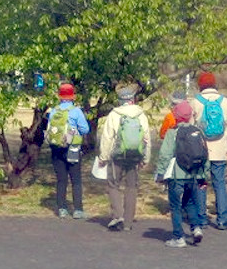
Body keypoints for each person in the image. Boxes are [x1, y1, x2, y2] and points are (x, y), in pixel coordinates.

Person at [154, 100, 208, 248]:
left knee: (175, 206)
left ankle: (179, 237)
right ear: (190, 115)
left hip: (177, 175)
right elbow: (205, 154)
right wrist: (204, 175)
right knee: (189, 202)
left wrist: (160, 173)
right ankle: (196, 228)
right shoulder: (198, 131)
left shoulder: (172, 132)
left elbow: (165, 154)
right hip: (194, 174)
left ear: (176, 116)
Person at [97, 85, 151, 231]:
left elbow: (107, 138)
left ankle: (118, 216)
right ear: (133, 99)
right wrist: (145, 158)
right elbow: (146, 138)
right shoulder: (141, 115)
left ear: (120, 100)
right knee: (131, 187)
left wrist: (103, 157)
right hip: (135, 157)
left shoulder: (114, 114)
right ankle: (128, 222)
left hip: (117, 156)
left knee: (113, 184)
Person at [189, 71, 227, 230]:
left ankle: (202, 219)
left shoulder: (195, 102)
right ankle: (222, 220)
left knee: (201, 183)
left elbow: (191, 127)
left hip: (201, 150)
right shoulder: (225, 102)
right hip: (220, 149)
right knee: (219, 183)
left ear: (200, 85)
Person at [45, 83, 91, 219]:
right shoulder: (76, 111)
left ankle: (62, 209)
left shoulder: (53, 111)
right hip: (72, 148)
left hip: (56, 148)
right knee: (75, 180)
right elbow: (85, 129)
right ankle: (78, 210)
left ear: (59, 96)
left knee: (61, 180)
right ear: (73, 96)